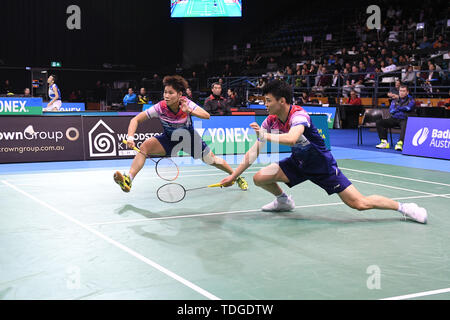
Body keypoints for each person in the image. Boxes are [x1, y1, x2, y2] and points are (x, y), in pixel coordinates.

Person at [219, 80, 427, 223]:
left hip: (322, 166)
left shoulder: (299, 116)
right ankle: (284, 201)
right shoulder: (271, 120)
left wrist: (266, 136)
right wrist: (234, 176)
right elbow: (253, 152)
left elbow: (292, 138)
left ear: (282, 101)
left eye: (268, 101)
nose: (264, 105)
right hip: (298, 163)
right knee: (260, 177)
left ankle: (404, 207)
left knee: (359, 203)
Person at [113, 75, 248, 193]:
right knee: (145, 147)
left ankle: (236, 176)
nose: (166, 95)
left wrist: (189, 110)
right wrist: (130, 137)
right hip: (169, 138)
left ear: (179, 94)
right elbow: (135, 119)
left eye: (170, 93)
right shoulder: (160, 107)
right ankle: (128, 179)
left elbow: (206, 115)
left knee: (212, 160)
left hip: (189, 139)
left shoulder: (186, 103)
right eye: (165, 92)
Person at [376, 85, 415, 151]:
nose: (401, 92)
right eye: (400, 91)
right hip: (394, 118)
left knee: (406, 124)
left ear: (407, 92)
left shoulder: (411, 100)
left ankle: (400, 143)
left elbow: (408, 108)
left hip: (404, 119)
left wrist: (397, 108)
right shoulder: (394, 100)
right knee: (380, 122)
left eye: (403, 91)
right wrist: (402, 109)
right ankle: (384, 142)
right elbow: (391, 110)